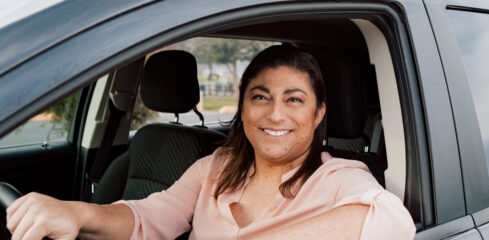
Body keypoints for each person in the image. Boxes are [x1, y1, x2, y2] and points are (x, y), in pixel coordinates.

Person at [6, 45, 415, 240]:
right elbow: (150, 217)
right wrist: (74, 212)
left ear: (319, 113)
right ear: (243, 106)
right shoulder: (216, 168)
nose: (276, 114)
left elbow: (392, 222)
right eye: (261, 97)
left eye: (294, 100)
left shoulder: (340, 177)